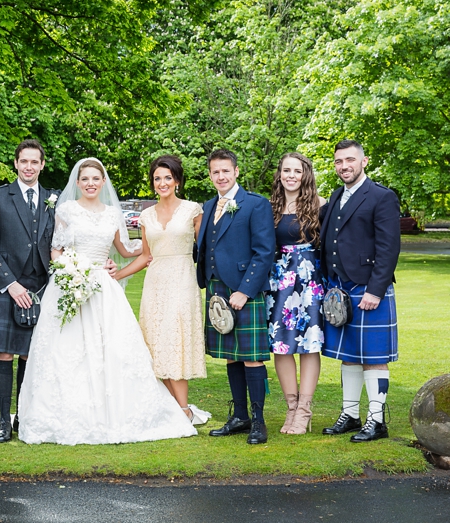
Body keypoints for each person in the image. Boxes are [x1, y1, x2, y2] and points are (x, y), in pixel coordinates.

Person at [18, 158, 197, 445]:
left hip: (103, 288)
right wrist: (73, 272)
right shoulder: (65, 210)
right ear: (77, 183)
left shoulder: (113, 214)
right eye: (85, 179)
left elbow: (125, 250)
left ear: (103, 183)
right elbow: (56, 251)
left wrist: (158, 242)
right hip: (71, 285)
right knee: (66, 350)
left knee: (113, 349)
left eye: (95, 179)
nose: (90, 183)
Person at [115, 155, 209, 425]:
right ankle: (178, 410)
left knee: (174, 341)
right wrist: (116, 276)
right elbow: (146, 256)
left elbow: (205, 250)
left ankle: (182, 411)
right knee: (157, 345)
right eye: (157, 178)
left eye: (168, 177)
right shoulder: (146, 215)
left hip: (182, 280)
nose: (162, 182)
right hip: (154, 284)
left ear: (177, 180)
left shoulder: (193, 210)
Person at [0, 139, 59, 443]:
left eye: (34, 162)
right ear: (15, 163)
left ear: (42, 165)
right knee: (5, 353)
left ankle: (24, 416)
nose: (28, 167)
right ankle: (3, 421)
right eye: (23, 161)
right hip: (5, 286)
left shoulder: (54, 199)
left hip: (41, 287)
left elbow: (61, 242)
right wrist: (10, 284)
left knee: (30, 355)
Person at [319, 140, 401, 442]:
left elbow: (389, 247)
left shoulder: (381, 196)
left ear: (364, 161)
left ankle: (377, 421)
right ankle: (351, 414)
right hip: (340, 289)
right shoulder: (337, 196)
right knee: (350, 356)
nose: (344, 166)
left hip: (367, 289)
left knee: (373, 357)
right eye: (339, 162)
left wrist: (376, 290)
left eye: (350, 160)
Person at [196, 149, 276, 445]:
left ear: (236, 171)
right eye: (215, 172)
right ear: (210, 175)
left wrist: (245, 290)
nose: (221, 176)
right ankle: (240, 416)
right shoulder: (207, 206)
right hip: (217, 289)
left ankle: (258, 421)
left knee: (252, 358)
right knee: (232, 356)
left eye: (225, 171)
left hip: (244, 289)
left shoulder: (255, 204)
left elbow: (264, 251)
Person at [267, 153, 327, 435]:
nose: (291, 175)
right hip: (280, 282)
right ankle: (291, 408)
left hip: (309, 281)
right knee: (281, 345)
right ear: (280, 173)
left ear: (306, 174)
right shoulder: (271, 207)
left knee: (309, 344)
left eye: (297, 171)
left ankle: (304, 410)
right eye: (286, 170)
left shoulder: (321, 206)